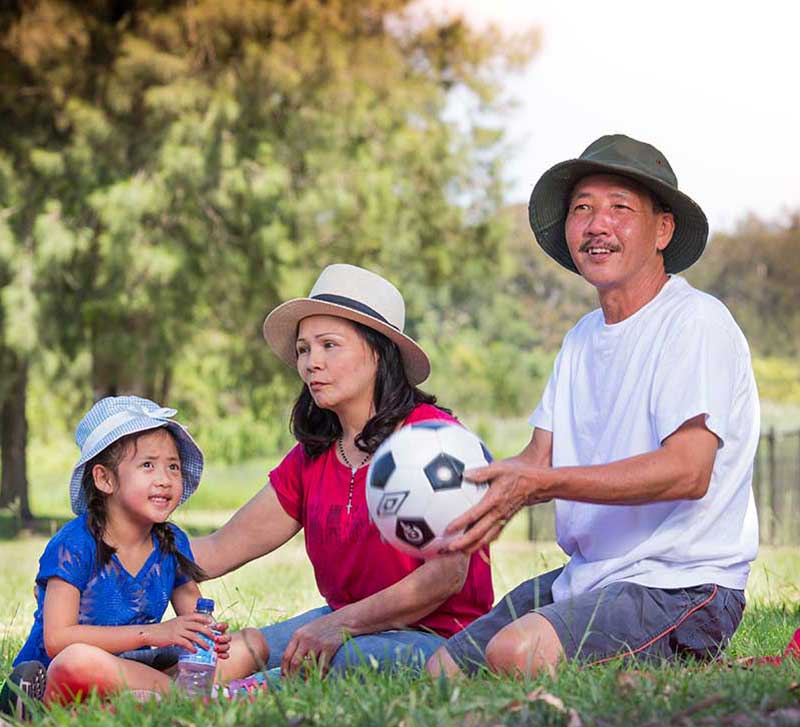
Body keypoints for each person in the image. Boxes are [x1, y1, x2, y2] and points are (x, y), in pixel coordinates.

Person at [427, 134, 760, 678]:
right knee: (444, 668)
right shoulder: (581, 338)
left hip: (683, 585)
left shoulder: (696, 322)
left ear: (662, 229)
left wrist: (543, 485)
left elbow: (688, 471)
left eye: (619, 208)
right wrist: (456, 495)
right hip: (588, 576)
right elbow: (538, 460)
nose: (596, 224)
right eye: (582, 208)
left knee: (516, 654)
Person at [191, 263, 493, 677]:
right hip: (343, 621)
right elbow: (219, 550)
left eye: (329, 345)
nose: (311, 363)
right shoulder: (312, 457)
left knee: (335, 662)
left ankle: (244, 696)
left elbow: (446, 576)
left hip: (437, 638)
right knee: (234, 652)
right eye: (303, 349)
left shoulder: (431, 441)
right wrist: (121, 547)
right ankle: (142, 690)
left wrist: (337, 625)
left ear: (379, 352)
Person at [1, 396, 267, 716]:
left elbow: (196, 616)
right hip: (65, 671)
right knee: (77, 660)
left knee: (251, 644)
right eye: (147, 465)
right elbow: (58, 639)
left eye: (173, 466)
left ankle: (134, 703)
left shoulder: (170, 542)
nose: (165, 478)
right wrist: (155, 633)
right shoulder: (74, 544)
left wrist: (208, 639)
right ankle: (190, 700)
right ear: (105, 479)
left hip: (135, 666)